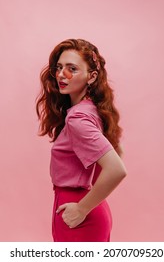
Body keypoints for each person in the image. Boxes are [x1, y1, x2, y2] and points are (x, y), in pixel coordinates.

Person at [36, 38, 127, 242]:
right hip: (87, 207)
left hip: (77, 212)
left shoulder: (78, 118)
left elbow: (117, 168)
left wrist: (82, 208)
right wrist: (90, 196)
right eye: (59, 67)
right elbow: (118, 152)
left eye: (72, 69)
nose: (62, 74)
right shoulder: (93, 110)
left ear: (91, 76)